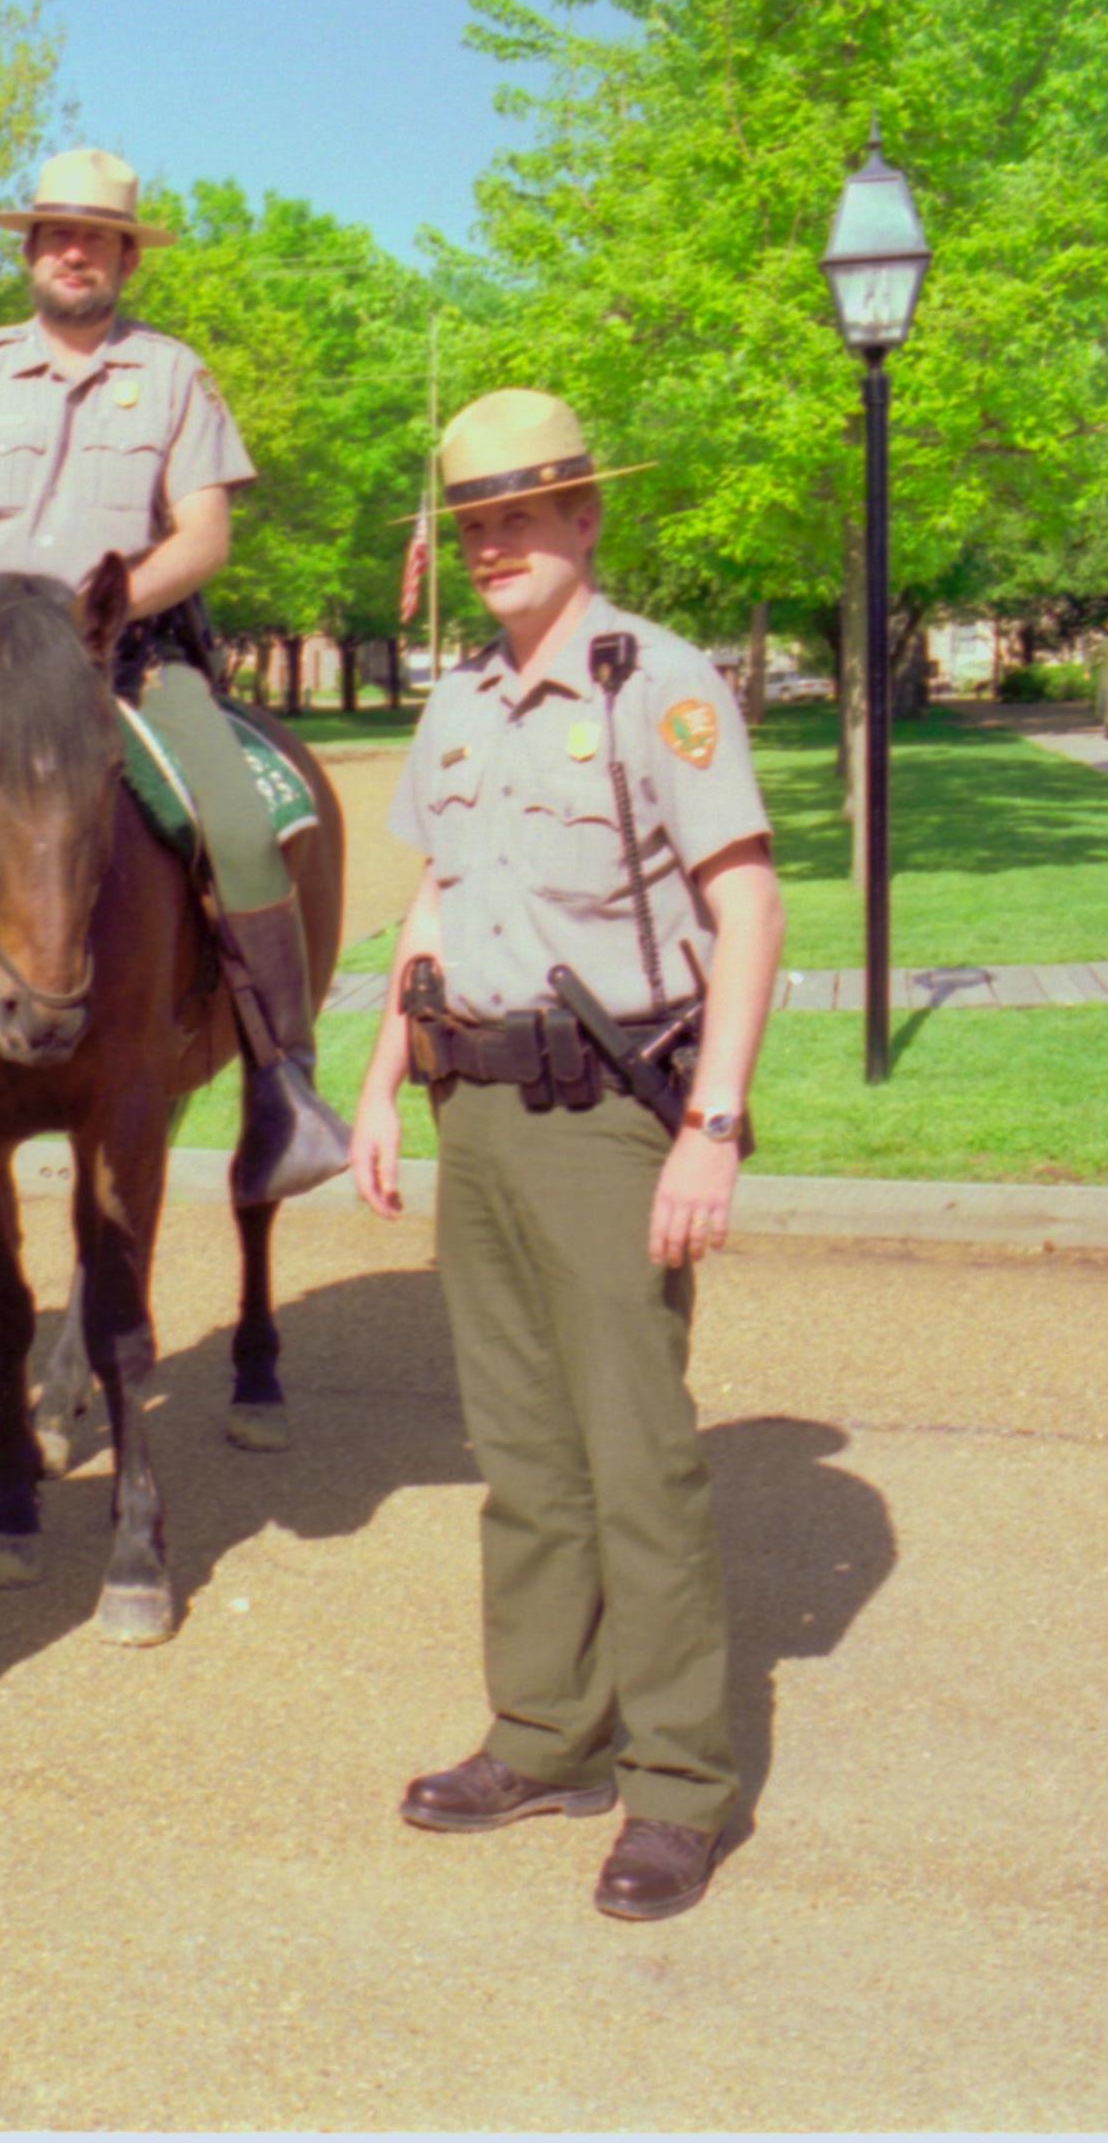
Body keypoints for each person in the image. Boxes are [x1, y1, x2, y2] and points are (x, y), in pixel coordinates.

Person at [344, 388, 786, 1924]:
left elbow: (746, 907)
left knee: (635, 1457)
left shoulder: (655, 688)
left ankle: (675, 1782)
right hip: (474, 1106)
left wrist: (713, 1123)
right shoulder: (459, 698)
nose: (493, 547)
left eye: (520, 517)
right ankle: (541, 1733)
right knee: (520, 1453)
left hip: (609, 1120)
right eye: (472, 525)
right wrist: (382, 1078)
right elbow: (432, 900)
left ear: (586, 516)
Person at [0, 147, 346, 1204]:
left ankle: (285, 1088)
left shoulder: (173, 373)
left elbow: (205, 534)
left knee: (240, 818)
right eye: (54, 234)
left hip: (123, 657)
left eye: (95, 237)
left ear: (126, 256)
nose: (72, 251)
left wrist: (105, 610)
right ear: (30, 251)